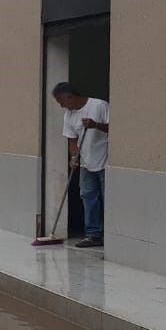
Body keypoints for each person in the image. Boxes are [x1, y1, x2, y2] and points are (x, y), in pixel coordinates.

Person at [52, 82, 109, 249]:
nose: (61, 106)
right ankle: (93, 235)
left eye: (61, 101)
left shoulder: (99, 105)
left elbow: (116, 129)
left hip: (105, 161)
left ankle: (112, 235)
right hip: (86, 163)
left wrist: (95, 125)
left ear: (70, 96)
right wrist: (73, 157)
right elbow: (72, 140)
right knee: (87, 196)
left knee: (107, 198)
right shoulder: (69, 116)